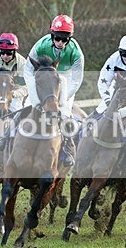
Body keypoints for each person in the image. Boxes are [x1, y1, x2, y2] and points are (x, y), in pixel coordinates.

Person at [21, 14, 85, 166]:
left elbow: (77, 80)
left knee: (65, 113)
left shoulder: (76, 53)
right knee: (25, 108)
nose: (60, 42)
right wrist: (35, 94)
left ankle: (67, 149)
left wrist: (59, 98)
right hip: (43, 80)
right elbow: (28, 70)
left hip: (65, 81)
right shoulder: (41, 45)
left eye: (65, 39)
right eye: (57, 38)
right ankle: (9, 139)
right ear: (52, 35)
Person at [0, 33, 29, 112]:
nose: (5, 56)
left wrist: (12, 94)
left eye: (9, 53)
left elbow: (25, 88)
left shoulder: (23, 64)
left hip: (14, 93)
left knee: (14, 109)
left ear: (14, 52)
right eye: (2, 52)